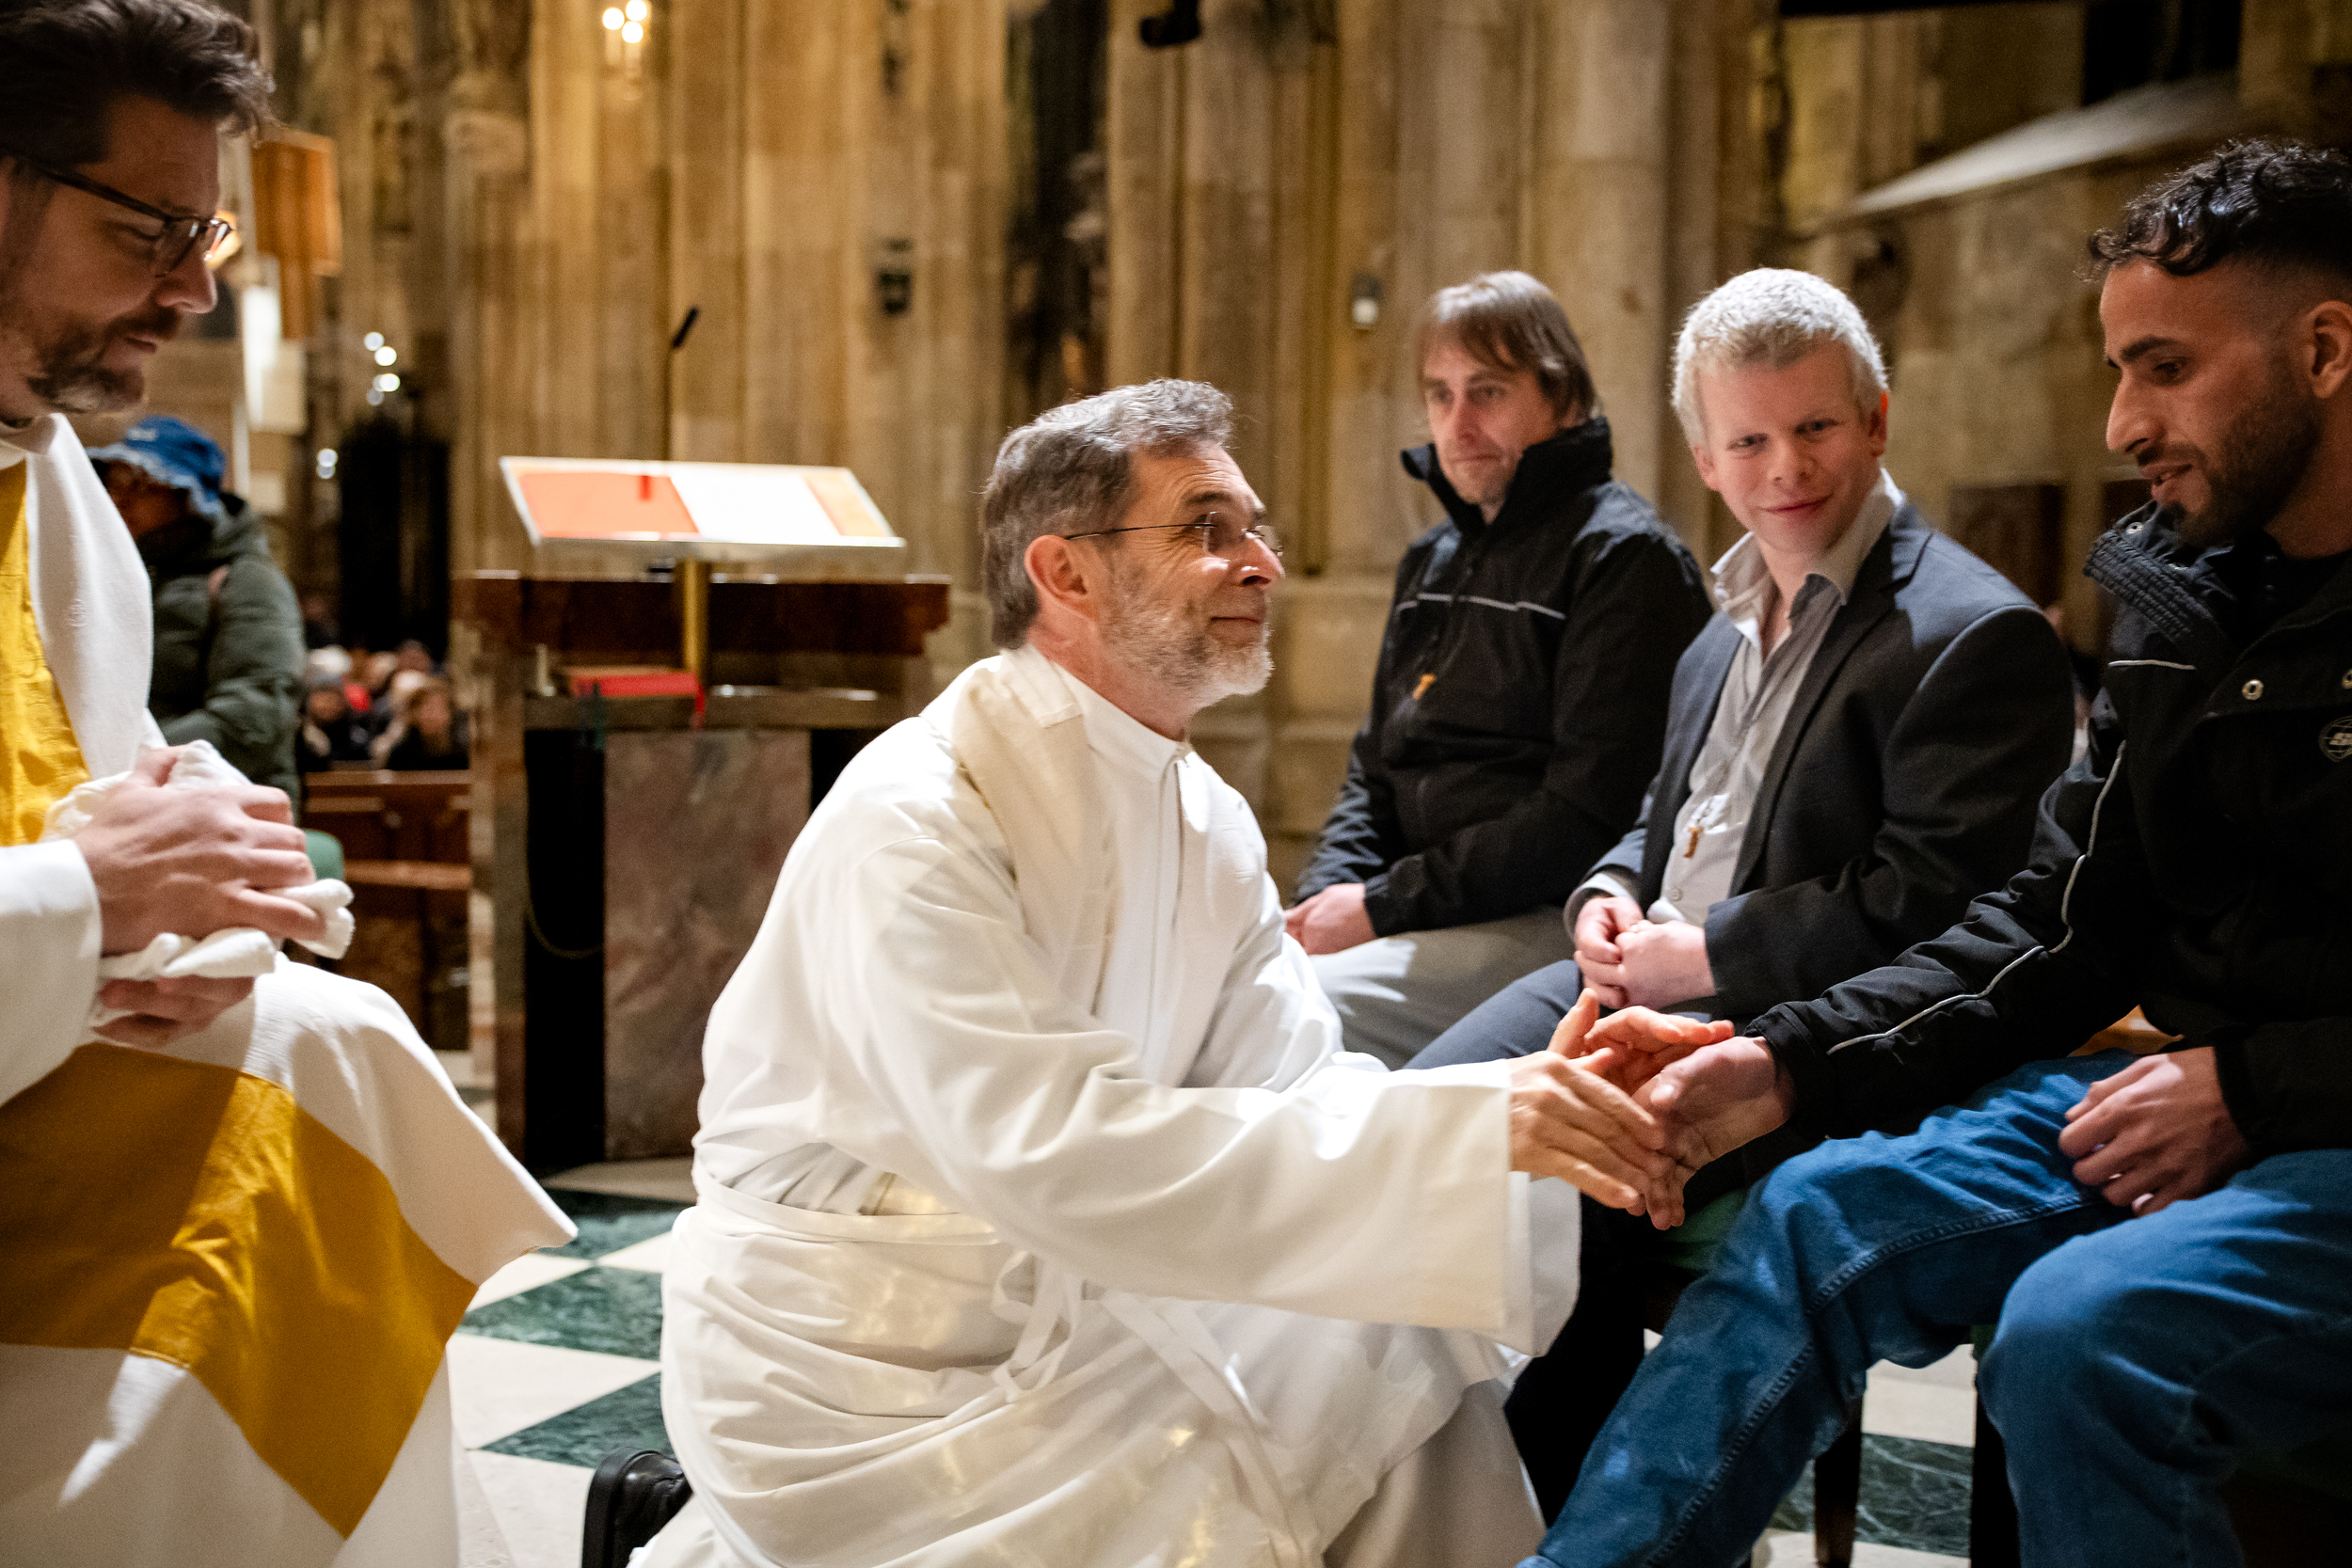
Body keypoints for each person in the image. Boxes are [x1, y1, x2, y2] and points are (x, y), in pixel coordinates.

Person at [641, 381, 1718, 1568]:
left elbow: (1290, 1081)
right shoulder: (921, 817)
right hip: (866, 1358)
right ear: (1066, 573)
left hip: (1086, 1286)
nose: (1261, 563)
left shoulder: (1205, 814)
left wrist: (1527, 1108)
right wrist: (1473, 1123)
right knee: (1308, 1438)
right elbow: (1051, 1149)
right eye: (1207, 528)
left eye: (1256, 528)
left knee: (1396, 1348)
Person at [1525, 139, 2352, 1568]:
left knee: (2079, 1332)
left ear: (2326, 350)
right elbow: (2054, 924)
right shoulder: (2185, 595)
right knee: (1812, 1205)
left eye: (2164, 368)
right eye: (2119, 370)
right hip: (2184, 1083)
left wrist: (2255, 1084)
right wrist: (1781, 1061)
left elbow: (1913, 887)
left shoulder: (1975, 623)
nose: (2120, 423)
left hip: (2302, 1107)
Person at [0, 5, 567, 1562]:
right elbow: (78, 853)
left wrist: (205, 886)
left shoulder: (50, 473)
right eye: (149, 232)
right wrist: (88, 899)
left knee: (330, 1051)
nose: (196, 288)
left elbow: (94, 759)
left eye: (207, 234)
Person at [1408, 267, 2077, 1515]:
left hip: (1805, 1014)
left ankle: (1549, 1509)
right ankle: (1419, 1483)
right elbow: (1660, 819)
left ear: (1876, 418)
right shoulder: (1719, 622)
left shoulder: (1971, 631)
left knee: (1570, 1162)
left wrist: (1706, 954)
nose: (1787, 465)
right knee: (1424, 1116)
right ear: (1706, 459)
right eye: (1750, 439)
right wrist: (1609, 891)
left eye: (1815, 425)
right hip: (1643, 972)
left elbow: (1941, 899)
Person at [1291, 272, 1711, 1068]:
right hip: (1425, 908)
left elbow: (1582, 817)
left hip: (1555, 917)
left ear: (1563, 398)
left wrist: (1377, 906)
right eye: (1440, 395)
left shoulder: (1625, 558)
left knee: (1292, 1016)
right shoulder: (1431, 559)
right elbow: (1373, 772)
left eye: (1487, 392)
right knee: (1235, 989)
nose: (1459, 423)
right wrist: (1324, 898)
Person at [90, 413, 304, 799]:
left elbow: (253, 716)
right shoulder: (117, 571)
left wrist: (130, 762)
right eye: (115, 482)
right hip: (132, 791)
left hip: (221, 800)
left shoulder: (246, 581)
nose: (120, 498)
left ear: (187, 496)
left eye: (143, 484)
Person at [377, 673, 468, 770]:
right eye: (425, 709)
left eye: (437, 708)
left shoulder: (463, 752)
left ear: (449, 714)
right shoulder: (401, 754)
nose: (431, 716)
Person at [298, 672, 373, 770]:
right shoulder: (303, 733)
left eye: (332, 698)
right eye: (321, 699)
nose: (326, 705)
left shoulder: (357, 730)